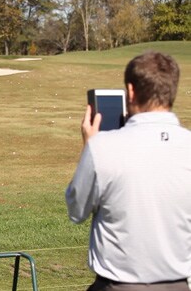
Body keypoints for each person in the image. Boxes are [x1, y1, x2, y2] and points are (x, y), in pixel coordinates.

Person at [66, 51, 191, 291]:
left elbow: (76, 211)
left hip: (118, 285)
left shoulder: (102, 147)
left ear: (131, 92)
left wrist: (89, 148)